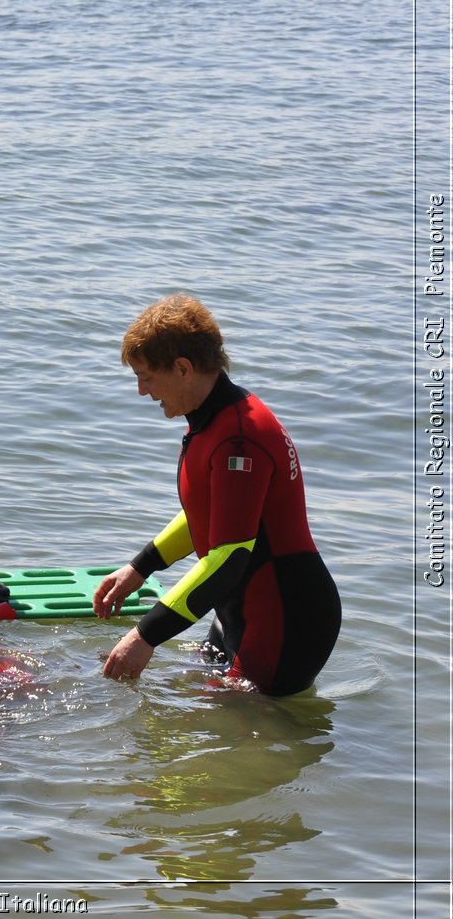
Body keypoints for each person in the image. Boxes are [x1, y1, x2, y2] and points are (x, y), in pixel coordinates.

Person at [93, 295, 341, 696]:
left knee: (252, 742)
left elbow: (230, 558)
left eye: (146, 377)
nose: (141, 391)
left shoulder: (238, 440)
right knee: (202, 717)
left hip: (284, 620)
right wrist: (140, 567)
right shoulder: (216, 420)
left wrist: (145, 636)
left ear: (183, 368)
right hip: (238, 609)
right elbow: (210, 513)